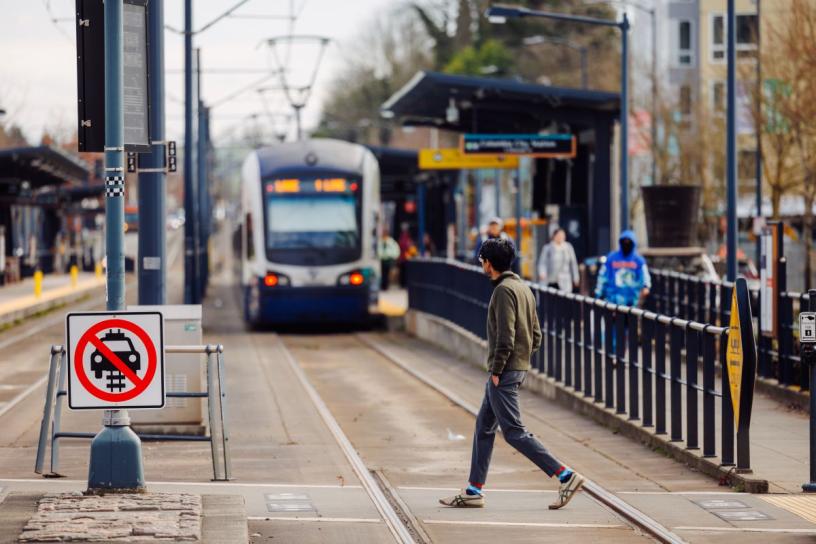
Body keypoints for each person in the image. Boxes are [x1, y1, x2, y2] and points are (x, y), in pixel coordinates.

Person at [440, 238, 585, 510]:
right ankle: (474, 490)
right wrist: (521, 361)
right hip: (513, 368)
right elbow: (537, 336)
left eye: (482, 259)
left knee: (514, 432)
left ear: (489, 263)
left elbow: (506, 336)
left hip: (504, 371)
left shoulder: (503, 291)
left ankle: (565, 475)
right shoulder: (522, 287)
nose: (481, 264)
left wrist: (499, 369)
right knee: (484, 426)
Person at [594, 230, 651, 307]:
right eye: (624, 241)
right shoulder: (612, 258)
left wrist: (645, 287)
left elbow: (645, 278)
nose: (626, 244)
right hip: (612, 301)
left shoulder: (639, 260)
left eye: (629, 242)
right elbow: (602, 276)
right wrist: (598, 293)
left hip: (631, 303)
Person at [537, 228, 580, 293]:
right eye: (559, 235)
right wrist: (542, 273)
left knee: (563, 300)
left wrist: (576, 278)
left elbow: (573, 263)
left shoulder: (568, 247)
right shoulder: (548, 248)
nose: (561, 237)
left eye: (563, 235)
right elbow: (542, 262)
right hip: (550, 280)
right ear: (554, 236)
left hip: (564, 281)